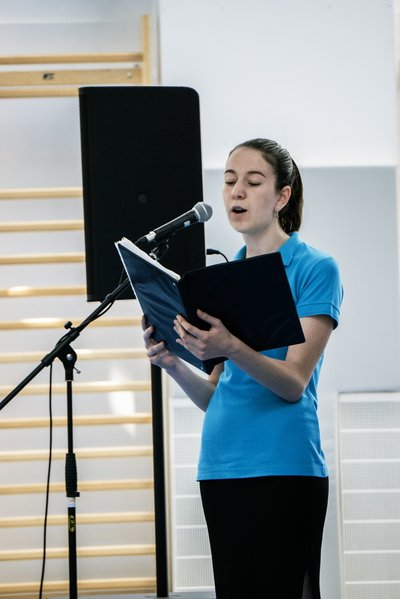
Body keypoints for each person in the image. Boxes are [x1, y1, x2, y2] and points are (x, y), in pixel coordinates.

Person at [142, 138, 343, 599]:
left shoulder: (315, 268)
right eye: (230, 181)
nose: (237, 191)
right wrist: (171, 363)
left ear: (282, 196)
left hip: (285, 467)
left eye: (253, 182)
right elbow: (216, 395)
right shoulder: (222, 278)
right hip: (219, 467)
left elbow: (293, 383)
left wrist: (230, 345)